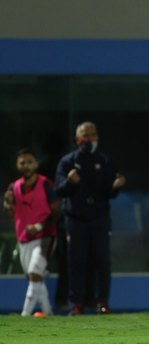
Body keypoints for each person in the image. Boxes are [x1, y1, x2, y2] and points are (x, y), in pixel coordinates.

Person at [55, 121, 126, 315]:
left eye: (92, 135)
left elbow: (110, 193)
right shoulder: (67, 161)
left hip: (99, 219)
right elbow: (59, 190)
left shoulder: (105, 161)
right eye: (85, 135)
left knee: (102, 261)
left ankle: (102, 302)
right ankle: (77, 304)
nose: (89, 139)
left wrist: (117, 186)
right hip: (75, 219)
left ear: (98, 138)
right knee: (76, 262)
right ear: (77, 139)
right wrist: (69, 182)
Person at [3, 148, 61, 317]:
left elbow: (57, 211)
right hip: (23, 238)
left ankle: (25, 314)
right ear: (17, 165)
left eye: (29, 162)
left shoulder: (45, 185)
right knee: (34, 277)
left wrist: (40, 226)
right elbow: (10, 213)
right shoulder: (14, 187)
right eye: (22, 163)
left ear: (36, 164)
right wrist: (7, 204)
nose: (26, 166)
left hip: (45, 236)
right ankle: (47, 311)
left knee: (35, 272)